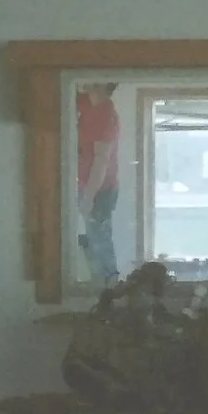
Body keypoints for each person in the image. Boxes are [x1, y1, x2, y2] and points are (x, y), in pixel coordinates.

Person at [75, 82, 121, 283]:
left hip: (99, 188)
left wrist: (88, 197)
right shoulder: (91, 104)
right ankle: (104, 281)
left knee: (99, 239)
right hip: (93, 185)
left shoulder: (104, 116)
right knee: (97, 237)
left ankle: (108, 284)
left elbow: (101, 161)